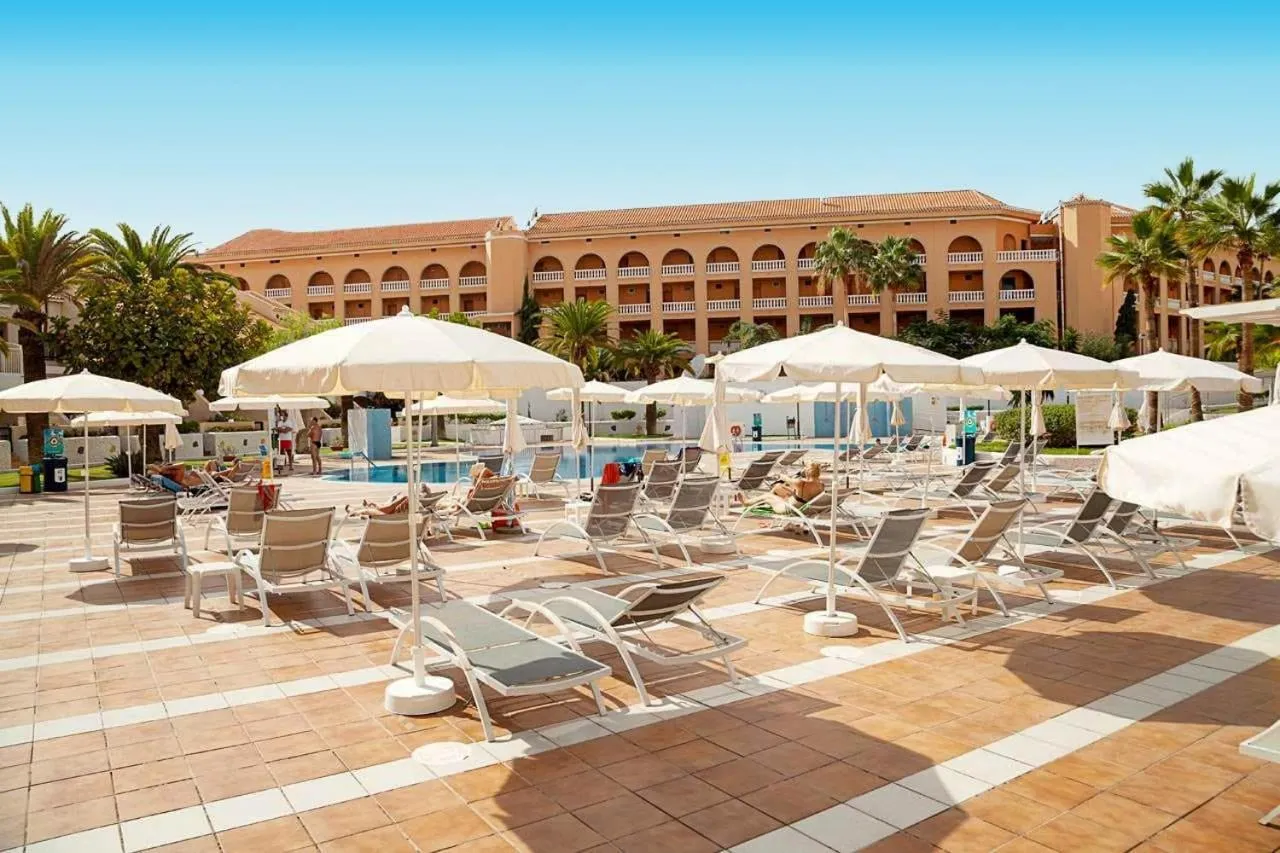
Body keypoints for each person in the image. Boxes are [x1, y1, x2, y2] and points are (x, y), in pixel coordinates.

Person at [276, 409, 295, 474]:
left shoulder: (289, 421)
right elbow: (278, 430)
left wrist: (282, 429)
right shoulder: (279, 422)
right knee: (281, 452)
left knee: (289, 452)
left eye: (282, 414)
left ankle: (291, 466)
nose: (281, 416)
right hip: (281, 439)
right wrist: (283, 429)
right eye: (281, 415)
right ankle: (281, 465)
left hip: (287, 439)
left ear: (285, 415)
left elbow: (288, 429)